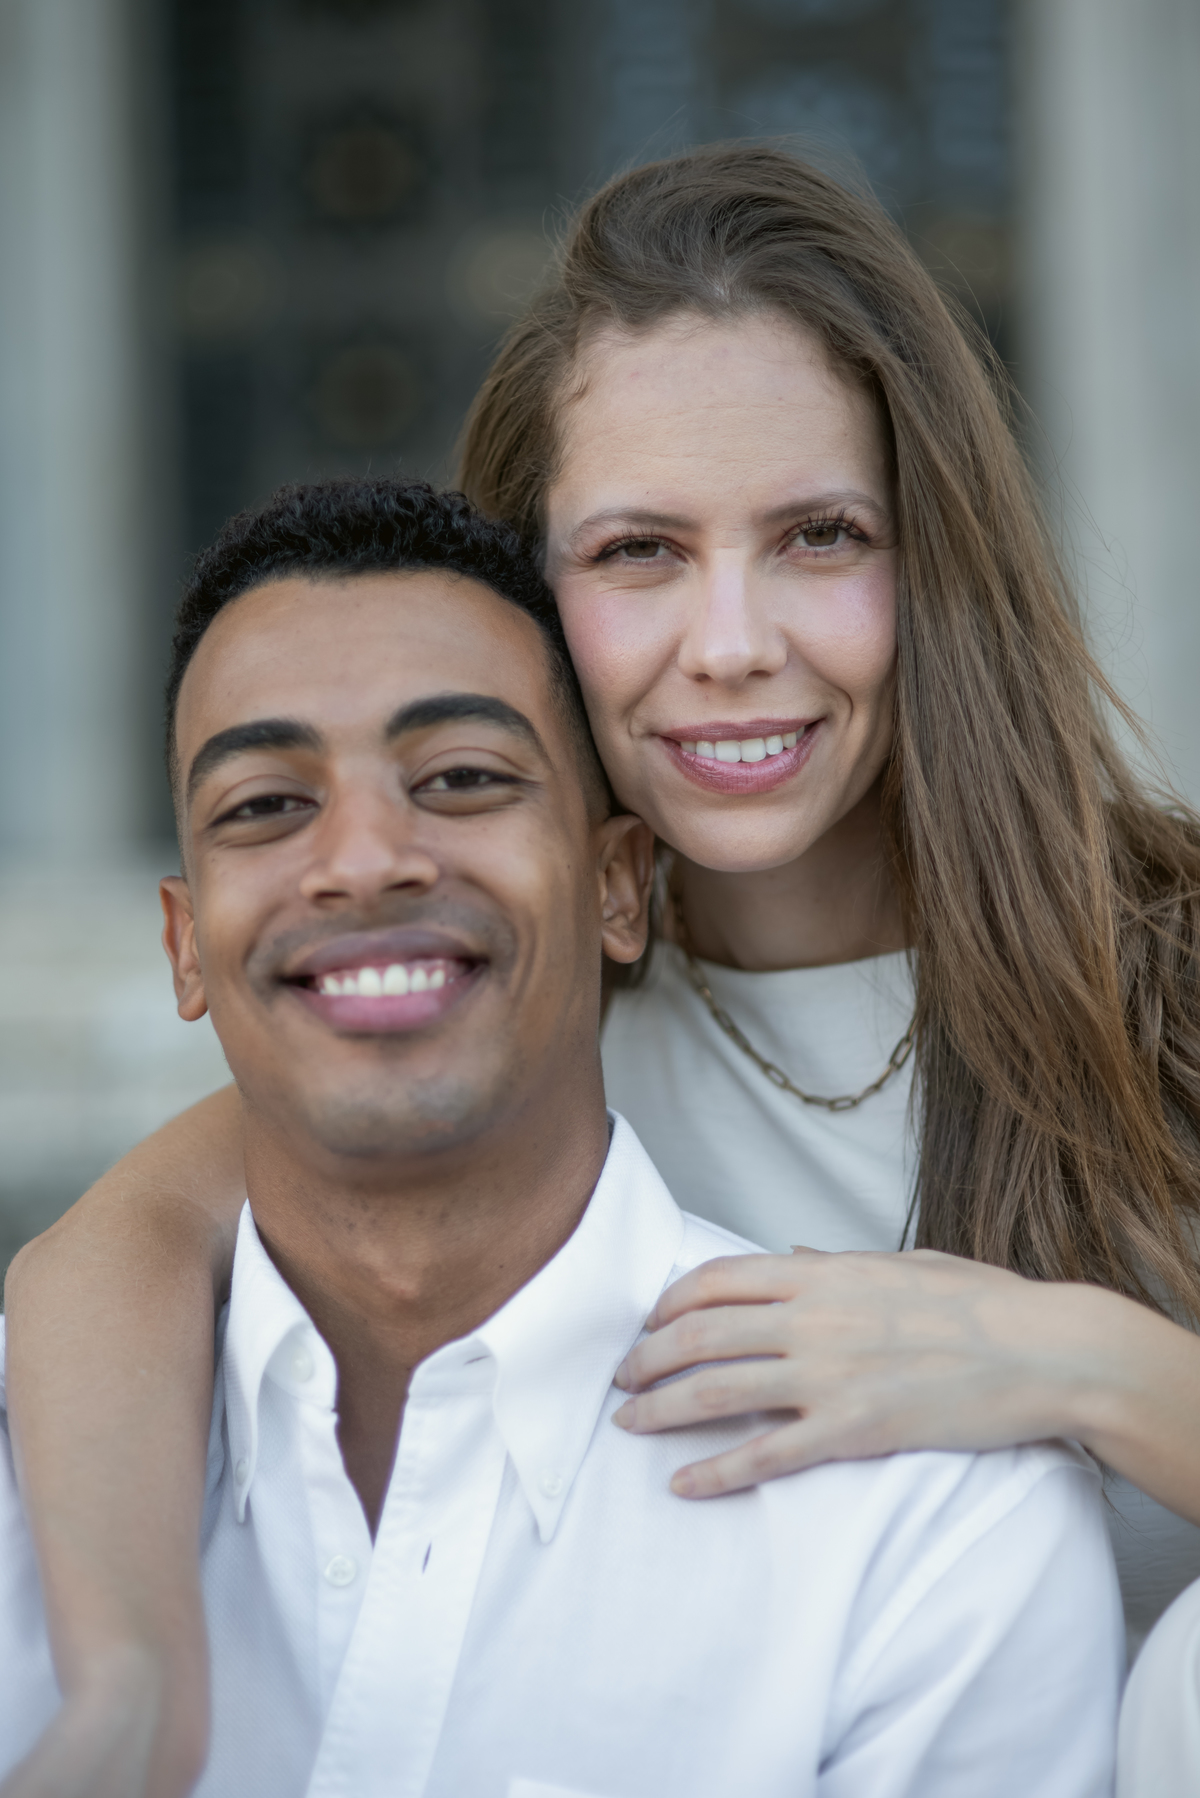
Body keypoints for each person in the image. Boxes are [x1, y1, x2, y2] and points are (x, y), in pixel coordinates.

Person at [6, 143, 1200, 1788]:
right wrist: (130, 1690)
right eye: (639, 551)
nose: (730, 641)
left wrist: (1073, 1362)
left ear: (936, 562)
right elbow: (112, 1257)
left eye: (819, 536)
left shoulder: (1168, 966)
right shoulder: (513, 1014)